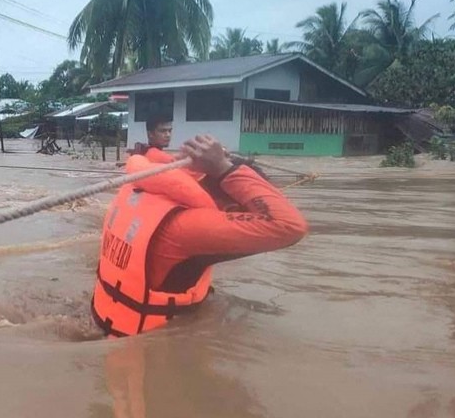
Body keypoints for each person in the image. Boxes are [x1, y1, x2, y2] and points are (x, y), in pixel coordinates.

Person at [92, 134, 308, 337]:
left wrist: (218, 165)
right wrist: (224, 168)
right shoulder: (189, 228)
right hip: (152, 346)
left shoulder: (151, 193)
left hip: (108, 321)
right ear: (233, 207)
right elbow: (289, 226)